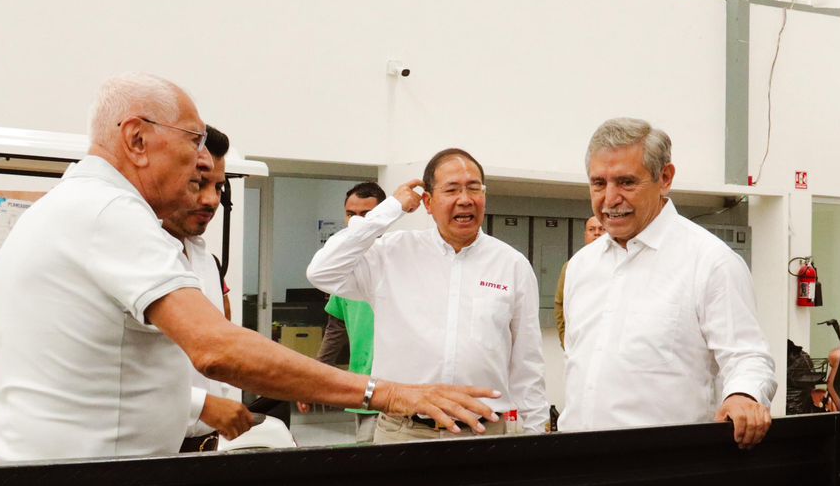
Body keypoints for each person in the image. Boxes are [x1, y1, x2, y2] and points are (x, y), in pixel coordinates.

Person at [0, 73, 499, 463]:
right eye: (192, 141)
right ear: (137, 140)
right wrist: (386, 392)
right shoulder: (109, 213)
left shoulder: (75, 206)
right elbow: (217, 349)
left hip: (69, 475)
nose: (199, 163)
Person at [559, 118, 776, 448]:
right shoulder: (581, 267)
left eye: (626, 182)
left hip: (665, 463)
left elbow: (748, 357)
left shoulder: (710, 262)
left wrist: (743, 395)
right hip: (578, 461)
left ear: (665, 179)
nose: (610, 199)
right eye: (599, 183)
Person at [308, 148, 549, 442]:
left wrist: (536, 438)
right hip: (403, 432)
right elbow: (321, 271)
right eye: (452, 189)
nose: (465, 199)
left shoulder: (511, 265)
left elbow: (527, 365)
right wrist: (390, 209)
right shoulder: (390, 254)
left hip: (485, 433)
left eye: (474, 188)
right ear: (428, 202)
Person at [158, 125, 257, 452]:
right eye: (198, 184)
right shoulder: (131, 254)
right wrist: (200, 405)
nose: (211, 200)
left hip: (204, 444)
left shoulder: (206, 260)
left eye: (219, 187)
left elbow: (222, 342)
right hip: (149, 451)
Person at [308, 180, 385, 442]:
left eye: (366, 215)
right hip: (362, 389)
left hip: (395, 387)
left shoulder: (397, 259)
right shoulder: (345, 267)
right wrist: (314, 381)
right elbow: (335, 329)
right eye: (351, 214)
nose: (356, 222)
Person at [553, 216, 605, 348]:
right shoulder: (572, 266)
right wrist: (565, 340)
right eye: (591, 229)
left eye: (602, 229)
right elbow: (560, 303)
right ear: (585, 234)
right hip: (580, 343)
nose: (597, 233)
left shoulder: (620, 264)